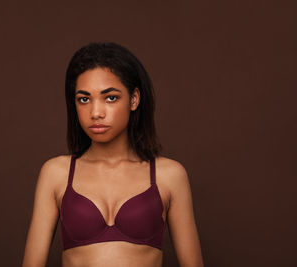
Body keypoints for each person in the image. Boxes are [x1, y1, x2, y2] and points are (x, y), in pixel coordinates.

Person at [22, 42, 204, 267]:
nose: (95, 113)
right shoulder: (56, 173)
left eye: (110, 98)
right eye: (84, 99)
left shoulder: (169, 175)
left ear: (134, 99)